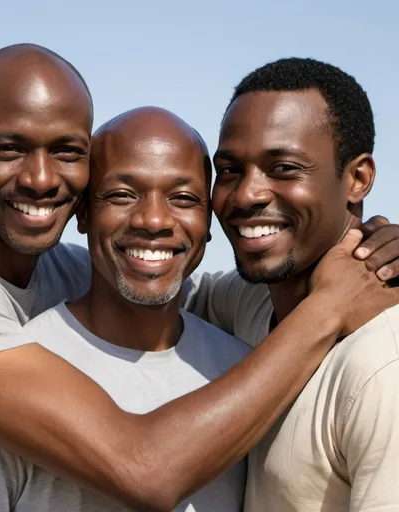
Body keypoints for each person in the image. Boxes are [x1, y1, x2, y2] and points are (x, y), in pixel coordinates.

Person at [0, 43, 398, 511]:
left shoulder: (219, 328)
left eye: (65, 150)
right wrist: (331, 305)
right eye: (9, 148)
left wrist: (370, 250)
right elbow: (145, 469)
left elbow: (174, 286)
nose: (39, 179)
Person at [208, 57, 399, 511]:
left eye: (285, 168)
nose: (246, 194)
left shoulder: (382, 365)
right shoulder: (246, 303)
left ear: (358, 179)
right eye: (230, 169)